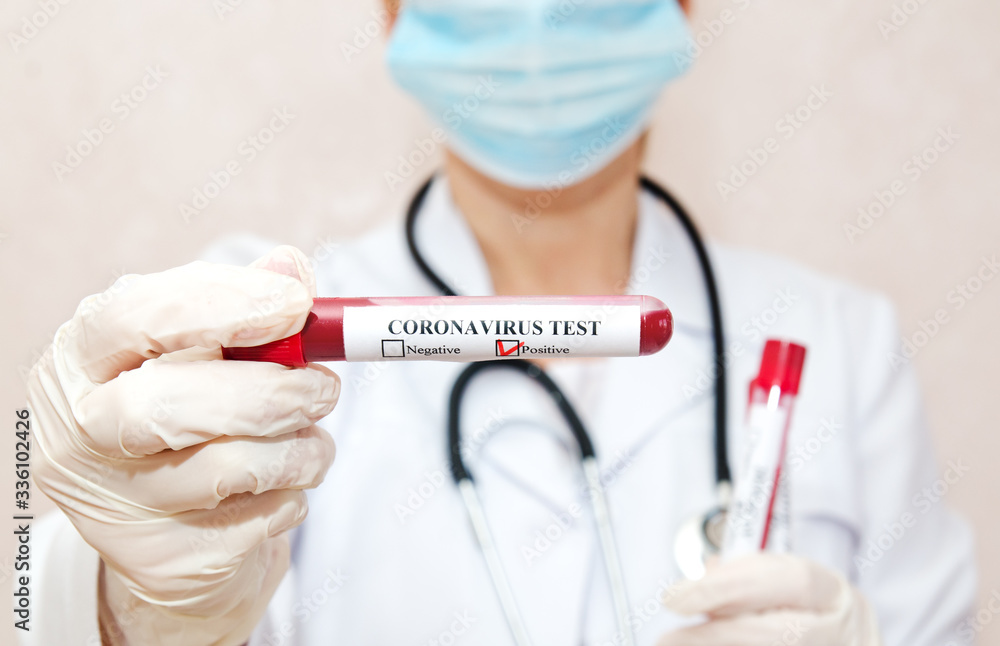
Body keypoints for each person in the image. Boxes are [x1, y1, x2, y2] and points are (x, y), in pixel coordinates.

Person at [24, 0, 975, 644]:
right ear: (393, 11)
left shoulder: (840, 344)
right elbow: (35, 604)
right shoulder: (253, 330)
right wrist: (124, 607)